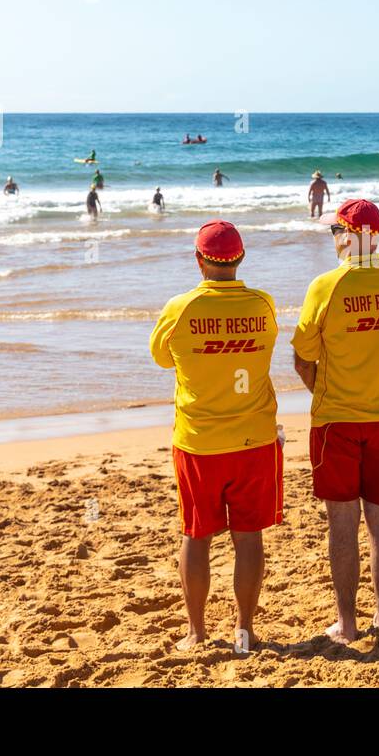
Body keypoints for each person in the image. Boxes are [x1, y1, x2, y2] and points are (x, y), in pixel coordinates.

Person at [292, 199, 379, 643]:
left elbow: (302, 359)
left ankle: (347, 622)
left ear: (348, 236)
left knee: (342, 522)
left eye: (335, 232)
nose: (333, 239)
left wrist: (329, 395)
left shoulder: (327, 285)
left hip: (337, 423)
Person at [149, 221, 281, 651]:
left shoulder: (181, 307)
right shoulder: (263, 304)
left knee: (196, 534)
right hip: (253, 439)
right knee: (248, 537)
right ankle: (244, 630)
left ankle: (197, 632)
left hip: (199, 440)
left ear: (199, 260)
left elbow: (161, 359)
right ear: (241, 259)